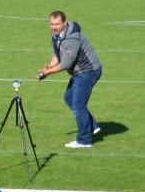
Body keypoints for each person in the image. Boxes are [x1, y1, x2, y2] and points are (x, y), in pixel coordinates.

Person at [37, 10, 102, 148]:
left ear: (64, 23)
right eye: (51, 24)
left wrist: (47, 73)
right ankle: (92, 125)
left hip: (88, 72)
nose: (54, 27)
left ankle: (84, 141)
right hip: (80, 72)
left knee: (78, 106)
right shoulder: (56, 35)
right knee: (69, 97)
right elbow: (57, 55)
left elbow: (66, 64)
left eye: (57, 24)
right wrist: (47, 67)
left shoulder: (71, 38)